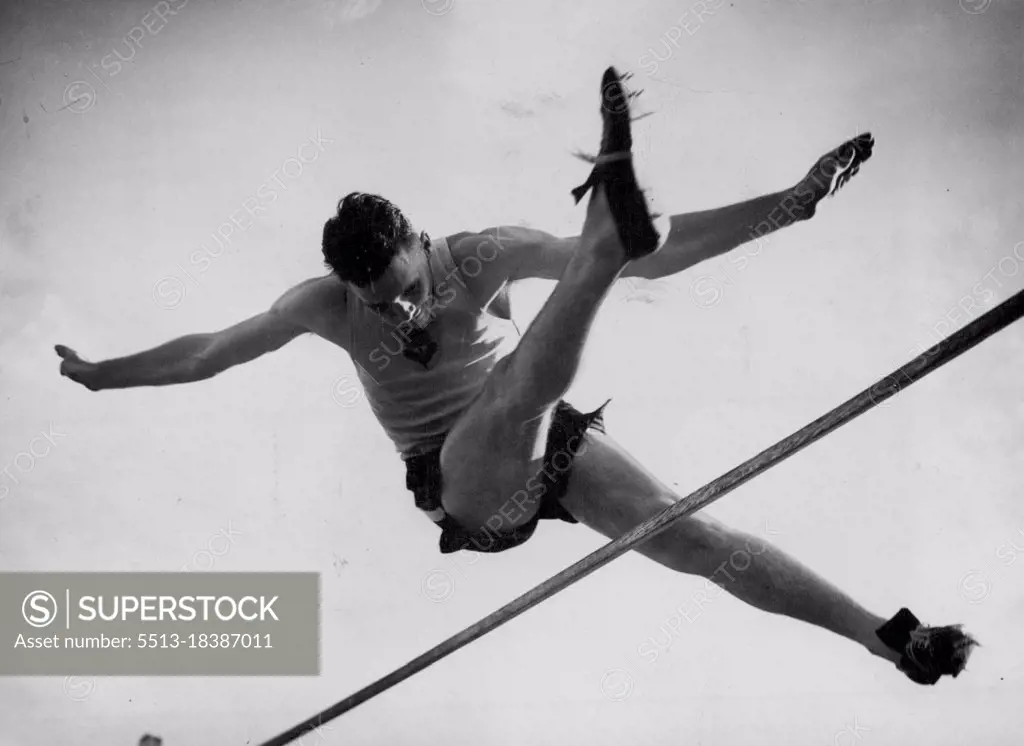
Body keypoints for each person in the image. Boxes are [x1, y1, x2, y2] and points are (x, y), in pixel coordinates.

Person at [55, 67, 975, 685]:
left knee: (695, 539)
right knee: (518, 388)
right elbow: (209, 351)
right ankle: (601, 248)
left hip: (552, 442)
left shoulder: (479, 255)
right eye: (375, 303)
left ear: (421, 243)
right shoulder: (324, 304)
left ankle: (888, 638)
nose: (397, 312)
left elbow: (663, 258)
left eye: (406, 291)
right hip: (462, 485)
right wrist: (105, 375)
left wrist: (789, 206)